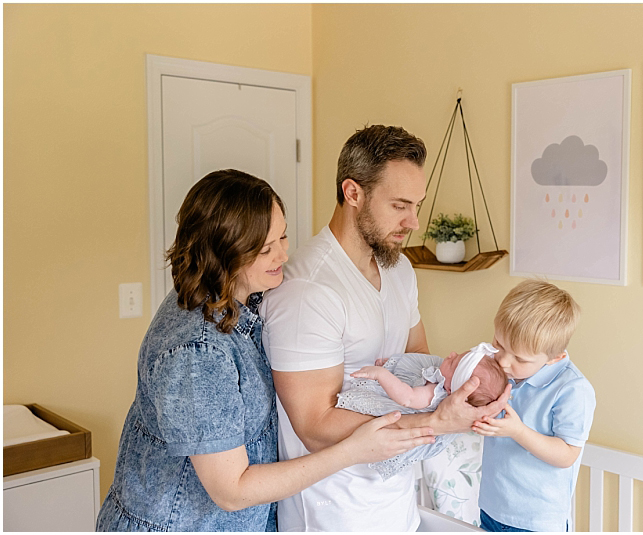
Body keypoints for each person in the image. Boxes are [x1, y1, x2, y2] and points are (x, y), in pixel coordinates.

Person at [95, 170, 434, 532]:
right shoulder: (196, 353)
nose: (284, 255)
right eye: (265, 249)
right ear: (224, 253)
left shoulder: (243, 299)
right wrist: (353, 450)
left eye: (283, 236)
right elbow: (232, 491)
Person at [262, 125, 511, 531]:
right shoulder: (309, 290)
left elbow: (418, 363)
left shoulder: (400, 270)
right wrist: (437, 423)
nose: (413, 222)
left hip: (398, 504)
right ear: (353, 193)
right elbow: (315, 427)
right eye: (399, 205)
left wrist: (467, 385)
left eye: (417, 204)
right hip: (335, 515)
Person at [472, 279, 596, 532]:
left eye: (519, 358)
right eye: (499, 344)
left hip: (535, 521)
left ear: (555, 358)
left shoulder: (572, 390)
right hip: (492, 507)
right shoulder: (503, 371)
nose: (504, 362)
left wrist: (518, 431)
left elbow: (567, 455)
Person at [339, 343, 508, 479]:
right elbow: (414, 365)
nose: (451, 354)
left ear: (451, 388)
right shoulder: (442, 377)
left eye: (453, 363)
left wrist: (382, 375)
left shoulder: (433, 395)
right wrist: (393, 365)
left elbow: (407, 397)